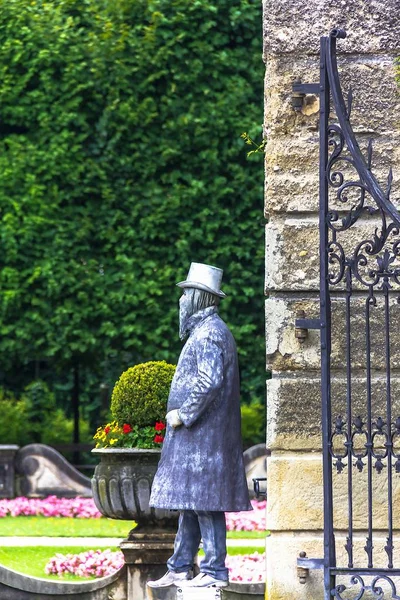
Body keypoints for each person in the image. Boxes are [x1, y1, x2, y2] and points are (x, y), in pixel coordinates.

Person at [148, 262, 252, 589]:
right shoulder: (205, 331)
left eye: (185, 295)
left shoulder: (209, 333)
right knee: (192, 505)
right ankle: (179, 566)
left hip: (204, 438)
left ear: (198, 298)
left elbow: (209, 381)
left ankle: (214, 572)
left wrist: (183, 413)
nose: (181, 301)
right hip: (198, 441)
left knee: (205, 504)